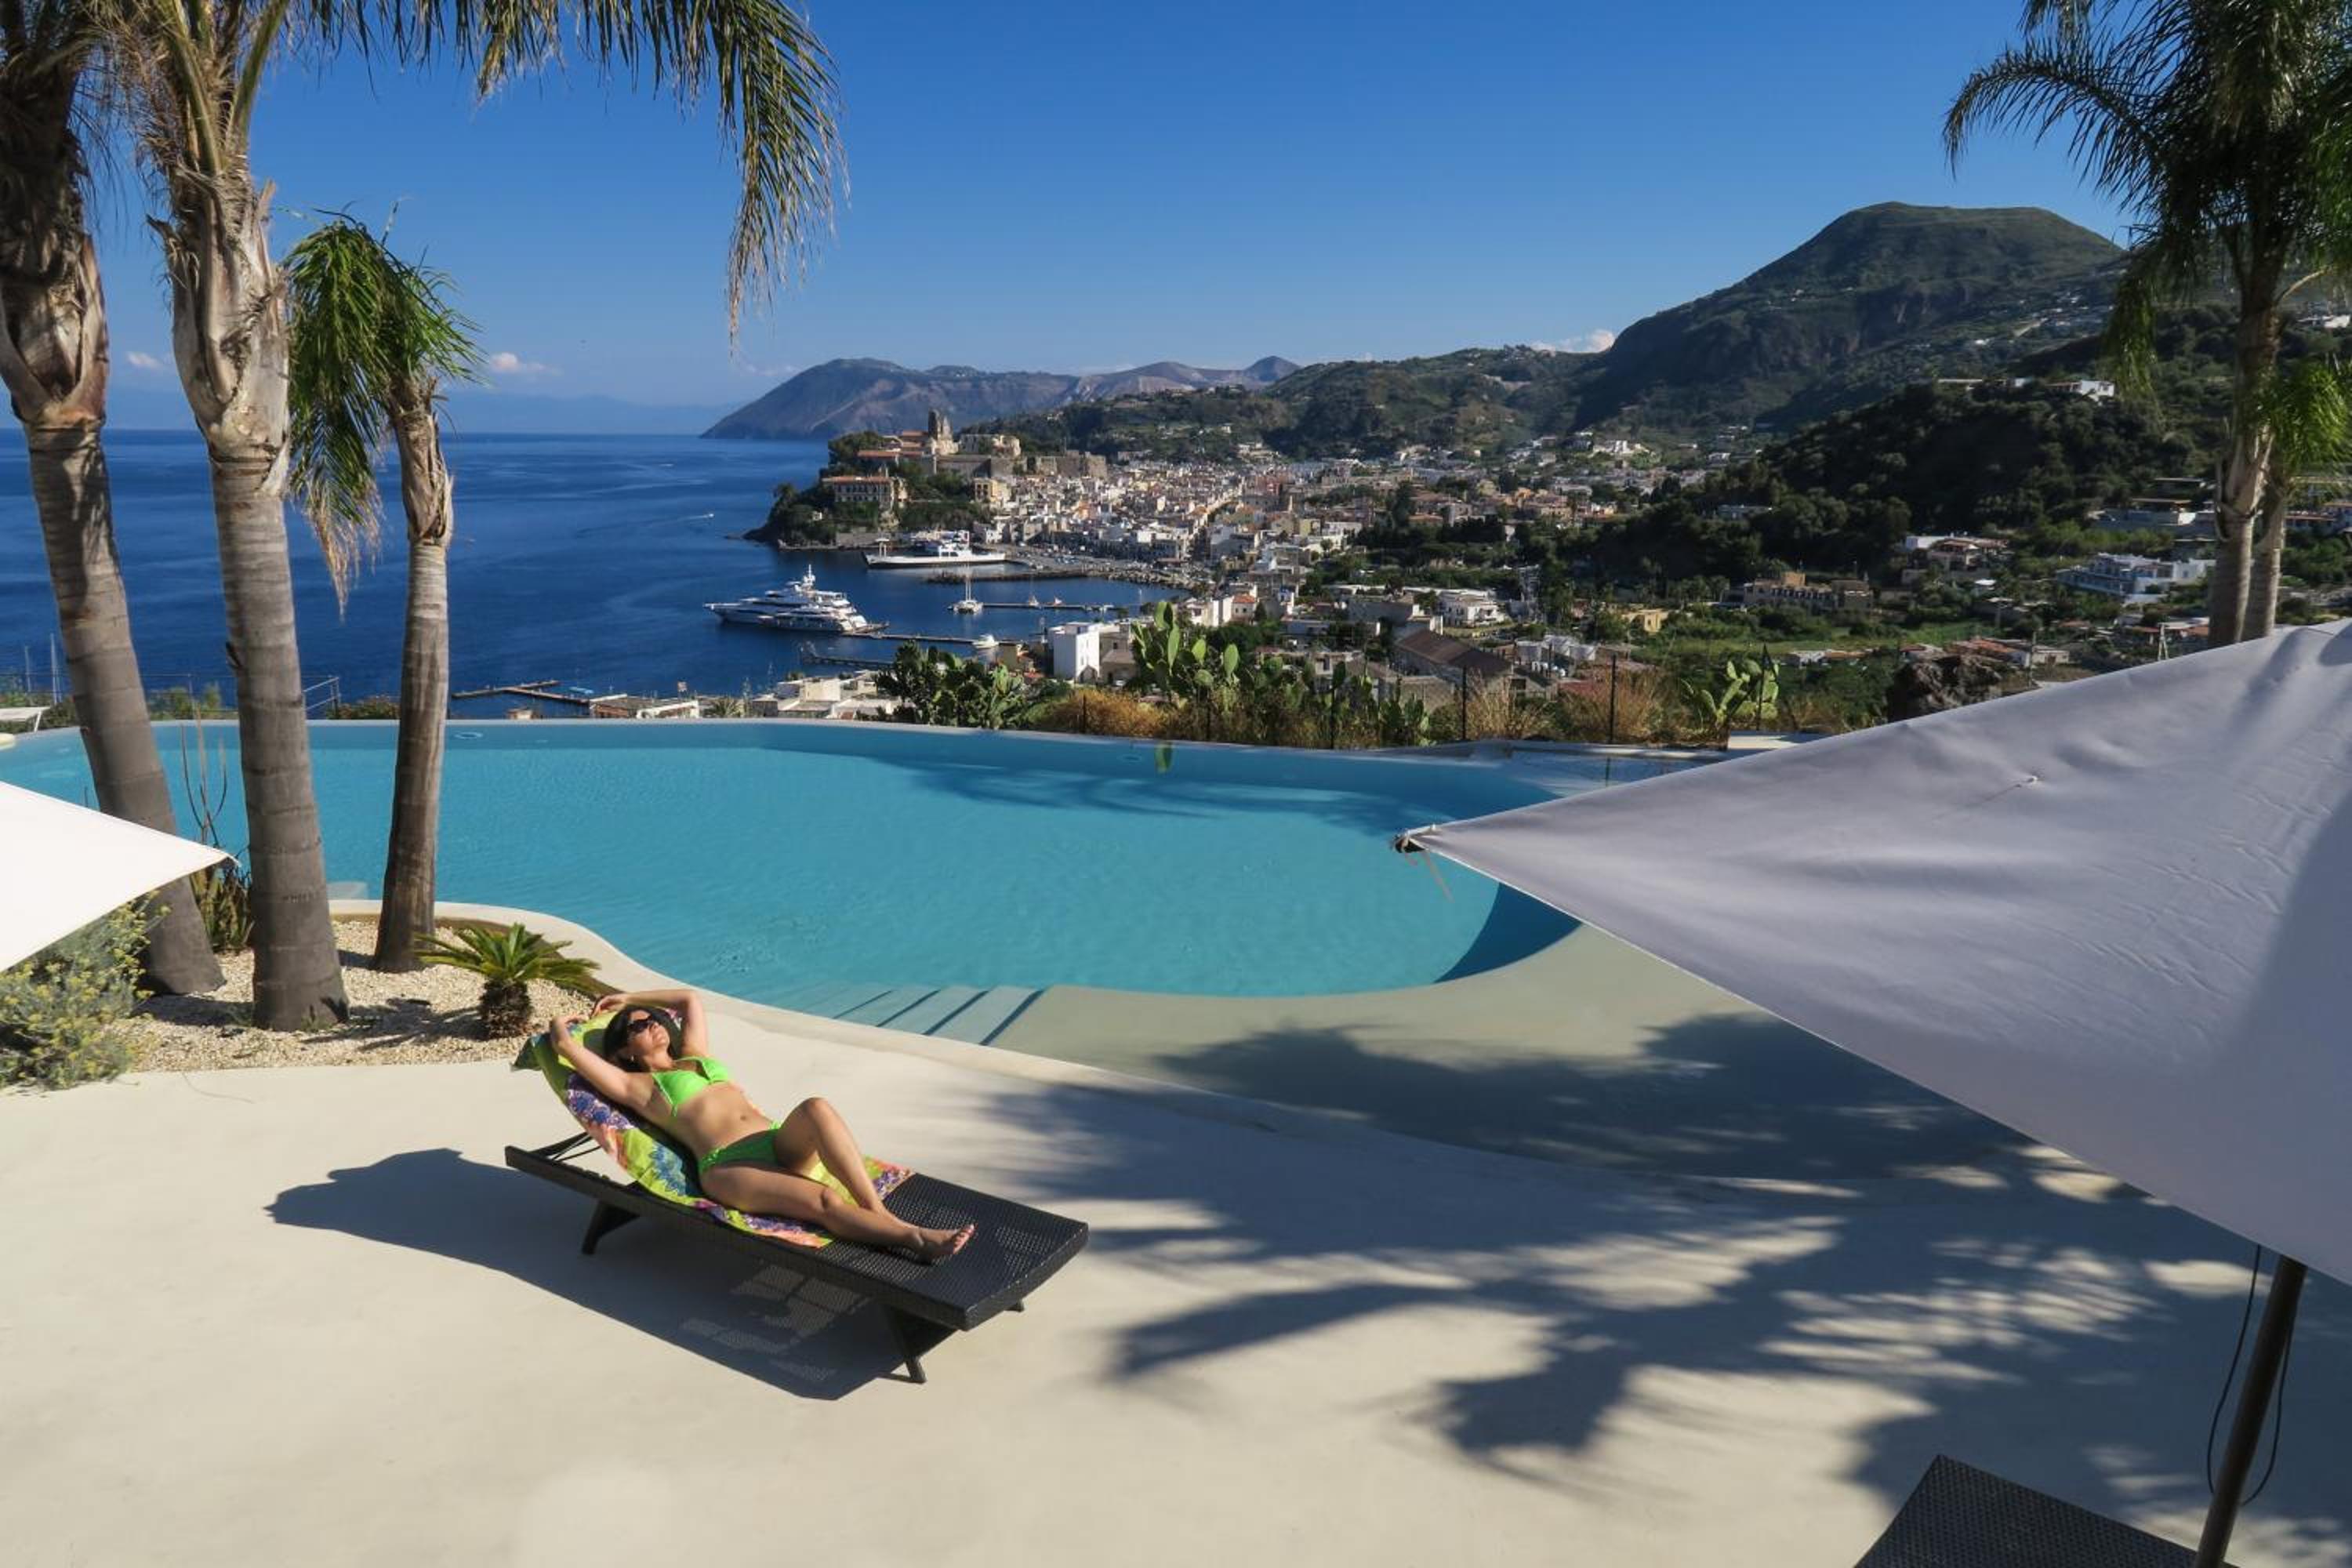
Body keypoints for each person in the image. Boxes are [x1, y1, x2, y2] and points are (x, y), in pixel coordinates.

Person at [551, 988, 972, 1262]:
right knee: (825, 1201)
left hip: (773, 1142)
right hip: (729, 1166)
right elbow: (566, 1048)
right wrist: (563, 1027)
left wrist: (629, 998)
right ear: (625, 1050)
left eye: (654, 1020)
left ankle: (876, 1212)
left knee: (816, 1107)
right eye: (640, 1026)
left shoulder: (694, 1054)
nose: (655, 1027)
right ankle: (915, 1239)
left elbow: (689, 1000)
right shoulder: (638, 1086)